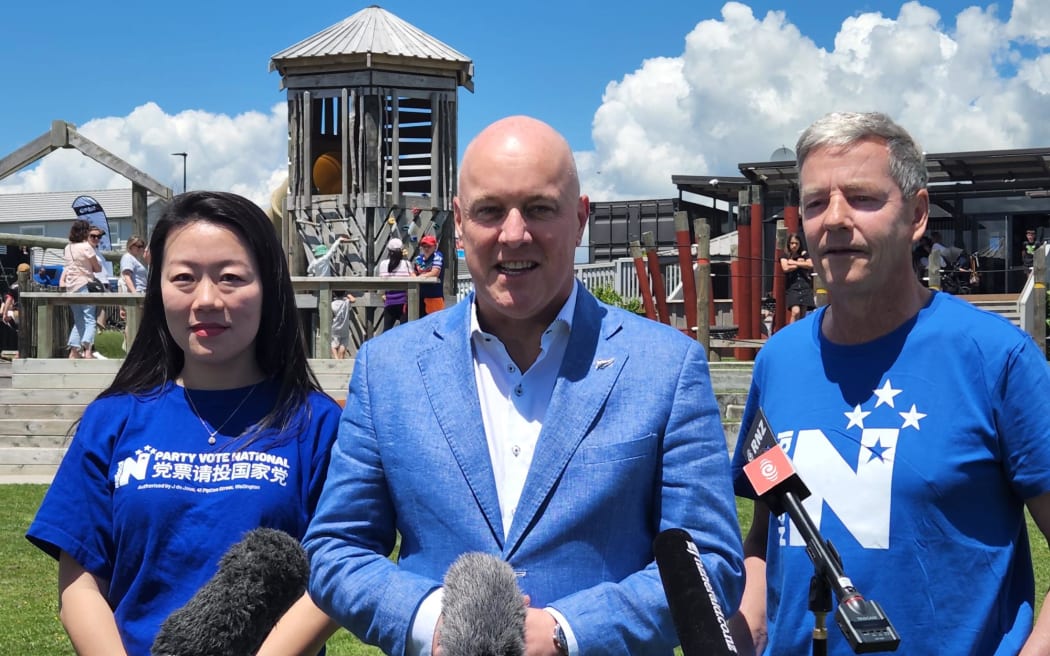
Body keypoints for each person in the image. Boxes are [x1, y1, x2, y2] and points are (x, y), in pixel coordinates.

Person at [304, 116, 744, 656]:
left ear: (579, 219)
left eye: (539, 208)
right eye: (490, 211)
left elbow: (711, 564)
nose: (514, 234)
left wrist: (567, 632)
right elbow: (335, 551)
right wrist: (436, 622)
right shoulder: (387, 367)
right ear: (460, 224)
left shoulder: (666, 367)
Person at [729, 111, 1050, 655]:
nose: (834, 219)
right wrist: (748, 624)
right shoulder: (778, 360)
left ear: (917, 215)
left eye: (862, 198)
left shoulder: (998, 359)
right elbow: (766, 535)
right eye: (814, 202)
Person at [26, 191, 341, 656]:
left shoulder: (317, 423)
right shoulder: (113, 419)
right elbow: (80, 581)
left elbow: (333, 575)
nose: (207, 299)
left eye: (231, 277)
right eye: (184, 278)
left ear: (270, 287)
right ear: (158, 289)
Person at [60, 219, 102, 359]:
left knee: (78, 319)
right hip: (85, 284)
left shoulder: (68, 247)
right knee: (90, 318)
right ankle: (88, 349)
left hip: (71, 287)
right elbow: (97, 267)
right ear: (85, 232)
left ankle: (74, 350)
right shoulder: (86, 247)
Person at [378, 237, 412, 331]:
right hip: (404, 302)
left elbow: (382, 282)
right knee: (405, 332)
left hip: (389, 301)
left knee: (386, 332)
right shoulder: (406, 264)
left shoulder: (383, 264)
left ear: (389, 251)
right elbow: (413, 278)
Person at [779, 233, 814, 324]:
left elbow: (810, 264)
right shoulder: (785, 255)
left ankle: (799, 334)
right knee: (795, 311)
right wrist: (800, 264)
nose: (794, 245)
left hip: (804, 284)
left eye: (796, 243)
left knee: (803, 314)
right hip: (792, 286)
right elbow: (785, 268)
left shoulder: (804, 254)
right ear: (788, 244)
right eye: (792, 243)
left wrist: (794, 263)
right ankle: (791, 333)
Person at [413, 234, 445, 315]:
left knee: (435, 322)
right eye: (424, 246)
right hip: (419, 296)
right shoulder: (418, 258)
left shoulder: (437, 256)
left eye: (429, 246)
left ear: (435, 246)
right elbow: (414, 272)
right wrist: (414, 277)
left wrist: (420, 277)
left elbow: (435, 273)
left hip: (434, 296)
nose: (426, 248)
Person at [1, 263, 29, 329]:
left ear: (17, 273)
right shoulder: (32, 285)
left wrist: (5, 314)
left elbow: (9, 300)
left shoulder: (13, 286)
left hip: (18, 313)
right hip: (29, 312)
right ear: (29, 274)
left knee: (19, 331)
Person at [330, 290, 354, 360]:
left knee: (333, 345)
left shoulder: (332, 304)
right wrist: (349, 295)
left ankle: (336, 358)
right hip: (344, 327)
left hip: (335, 327)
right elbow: (353, 300)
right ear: (344, 293)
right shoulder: (346, 302)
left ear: (334, 293)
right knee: (343, 345)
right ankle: (341, 359)